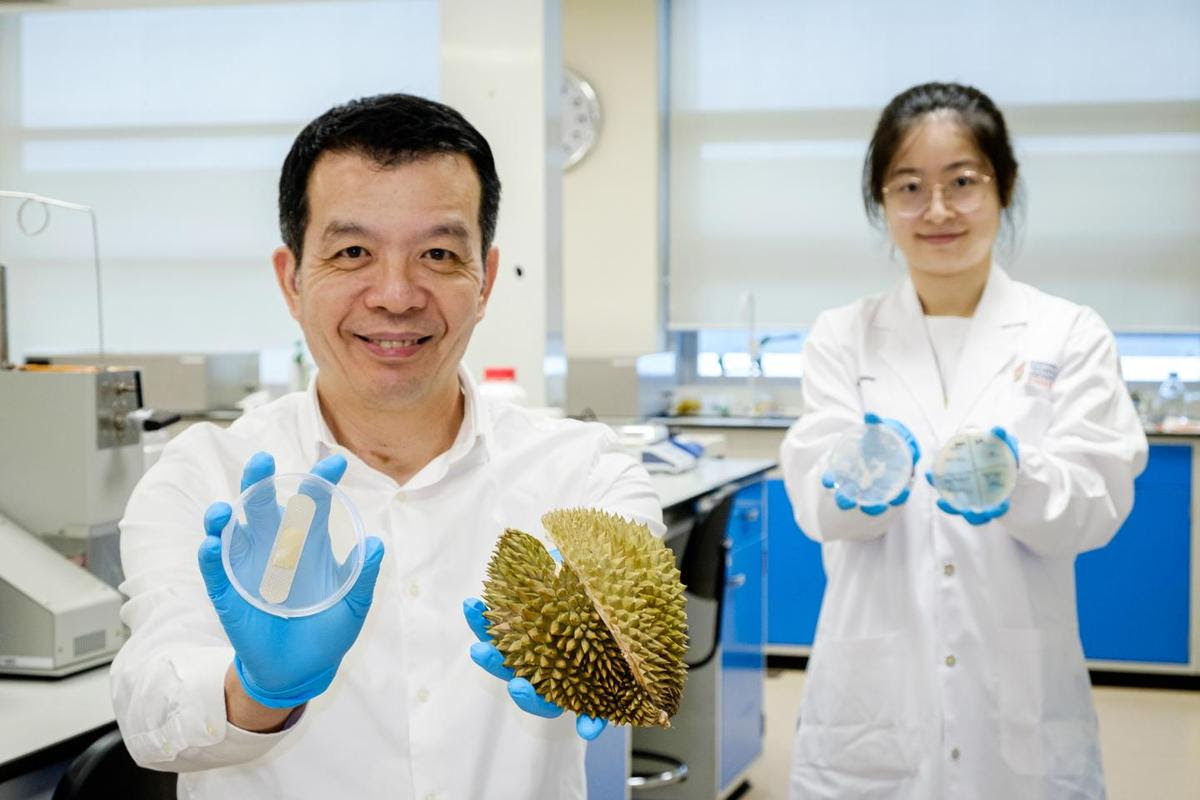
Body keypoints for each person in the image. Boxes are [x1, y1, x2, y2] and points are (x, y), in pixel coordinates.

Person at [111, 94, 663, 800]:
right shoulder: (204, 480)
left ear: (486, 279)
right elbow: (150, 712)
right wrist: (258, 690)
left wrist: (600, 648)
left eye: (438, 253)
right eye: (352, 253)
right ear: (291, 278)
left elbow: (635, 612)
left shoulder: (585, 471)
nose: (397, 295)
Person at [780, 82, 1148, 799]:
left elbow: (1098, 502)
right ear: (881, 201)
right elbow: (814, 504)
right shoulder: (841, 335)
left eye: (963, 182)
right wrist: (857, 482)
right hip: (872, 693)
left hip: (1018, 684)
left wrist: (1021, 478)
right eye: (909, 186)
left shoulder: (1067, 333)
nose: (938, 210)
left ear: (1003, 187)